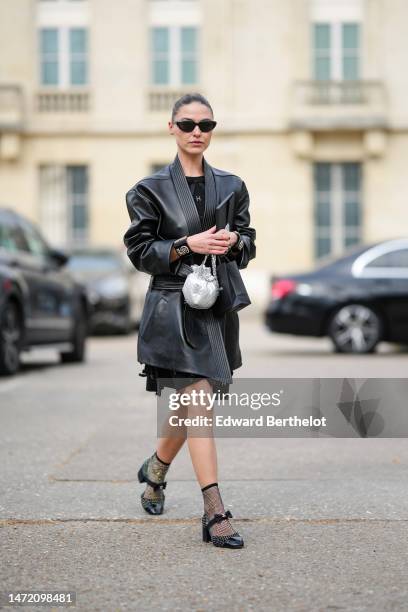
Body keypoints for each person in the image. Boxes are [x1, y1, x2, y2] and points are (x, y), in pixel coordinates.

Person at [123, 92, 256, 549]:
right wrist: (187, 244)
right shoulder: (148, 190)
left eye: (206, 124)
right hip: (172, 312)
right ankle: (214, 510)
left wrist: (235, 240)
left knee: (186, 406)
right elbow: (141, 252)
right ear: (172, 128)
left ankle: (156, 469)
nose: (197, 131)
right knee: (198, 401)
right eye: (187, 124)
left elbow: (249, 243)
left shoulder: (232, 185)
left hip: (215, 309)